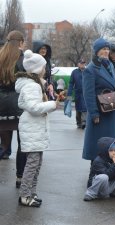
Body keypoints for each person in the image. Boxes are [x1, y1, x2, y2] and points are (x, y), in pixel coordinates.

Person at [15, 50, 59, 207]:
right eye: (44, 67)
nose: (46, 70)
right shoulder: (32, 86)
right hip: (32, 129)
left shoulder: (35, 84)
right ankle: (25, 195)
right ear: (37, 68)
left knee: (36, 163)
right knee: (32, 164)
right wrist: (52, 105)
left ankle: (31, 193)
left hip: (36, 129)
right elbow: (33, 107)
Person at [82, 38, 115, 162]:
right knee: (99, 145)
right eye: (103, 49)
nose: (106, 52)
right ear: (97, 51)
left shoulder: (110, 65)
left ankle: (112, 166)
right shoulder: (90, 69)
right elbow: (88, 94)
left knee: (112, 142)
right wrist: (94, 113)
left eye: (107, 49)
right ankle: (96, 171)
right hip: (100, 112)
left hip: (112, 107)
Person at [0, 30, 27, 188]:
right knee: (22, 143)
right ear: (21, 42)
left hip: (1, 105)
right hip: (18, 105)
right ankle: (20, 177)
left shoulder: (1, 56)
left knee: (3, 144)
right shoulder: (23, 59)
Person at [67, 59, 87, 129]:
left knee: (85, 108)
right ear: (78, 64)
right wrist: (69, 94)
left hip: (86, 93)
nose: (82, 64)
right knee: (78, 108)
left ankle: (84, 122)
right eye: (81, 63)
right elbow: (71, 83)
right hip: (78, 93)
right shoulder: (74, 72)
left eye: (83, 63)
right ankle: (79, 122)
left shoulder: (87, 71)